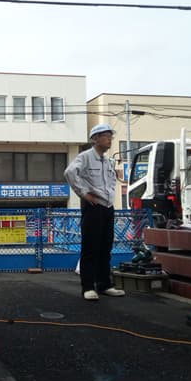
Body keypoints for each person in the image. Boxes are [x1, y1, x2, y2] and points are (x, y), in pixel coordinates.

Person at [64, 123, 125, 301]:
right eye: (106, 136)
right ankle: (88, 287)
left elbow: (110, 182)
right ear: (95, 138)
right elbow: (69, 173)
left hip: (107, 207)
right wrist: (84, 193)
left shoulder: (107, 161)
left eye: (111, 136)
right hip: (93, 206)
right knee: (90, 247)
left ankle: (104, 284)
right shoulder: (85, 157)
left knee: (106, 247)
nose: (110, 139)